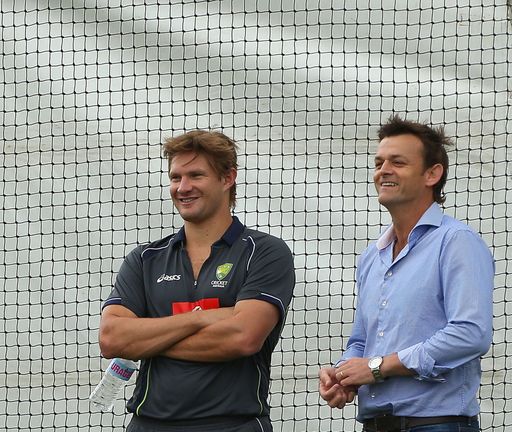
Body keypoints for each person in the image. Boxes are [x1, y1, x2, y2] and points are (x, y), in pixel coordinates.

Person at [98, 130, 295, 432]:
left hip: (234, 425)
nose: (183, 187)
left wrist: (146, 340)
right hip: (148, 424)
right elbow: (112, 338)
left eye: (196, 175)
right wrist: (201, 320)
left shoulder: (265, 252)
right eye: (176, 177)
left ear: (228, 178)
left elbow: (243, 337)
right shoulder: (145, 259)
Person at [318, 115, 494, 431]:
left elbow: (471, 334)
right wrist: (343, 373)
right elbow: (361, 341)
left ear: (432, 174)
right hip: (376, 424)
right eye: (379, 162)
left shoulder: (457, 242)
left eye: (397, 162)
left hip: (437, 424)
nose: (383, 170)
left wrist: (375, 368)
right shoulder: (372, 256)